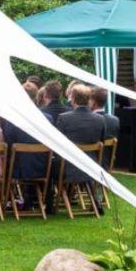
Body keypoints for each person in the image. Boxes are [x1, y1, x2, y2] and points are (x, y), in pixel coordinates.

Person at [46, 84, 106, 212]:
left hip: (68, 167)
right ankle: (96, 200)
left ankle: (49, 205)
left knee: (49, 165)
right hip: (91, 166)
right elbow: (101, 143)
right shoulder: (100, 119)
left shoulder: (64, 118)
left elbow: (57, 144)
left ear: (72, 99)